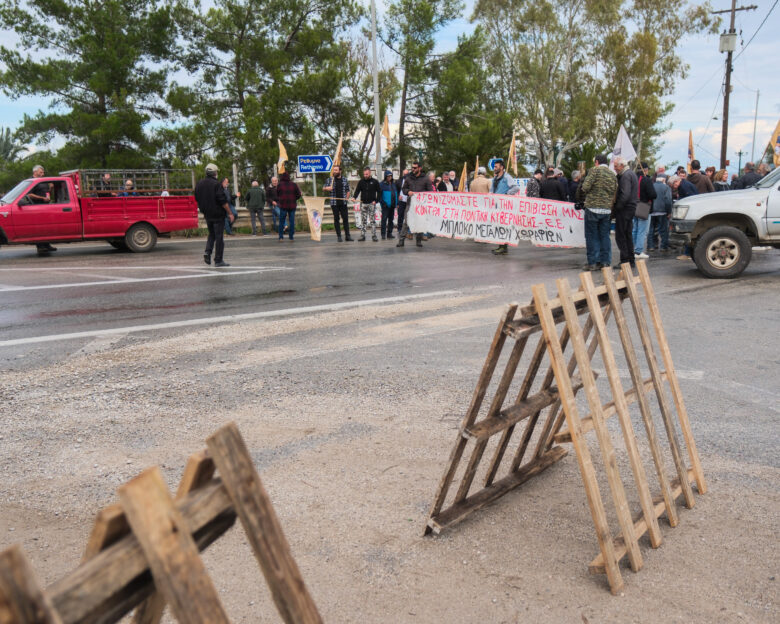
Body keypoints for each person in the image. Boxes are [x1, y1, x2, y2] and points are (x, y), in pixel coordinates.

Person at [580, 154, 617, 270]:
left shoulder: (594, 171)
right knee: (605, 236)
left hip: (592, 207)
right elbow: (615, 190)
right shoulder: (612, 174)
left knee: (592, 236)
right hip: (606, 209)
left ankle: (593, 262)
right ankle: (605, 261)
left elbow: (585, 187)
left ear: (596, 162)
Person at [195, 163, 232, 267]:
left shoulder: (199, 184)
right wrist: (230, 213)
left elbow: (196, 197)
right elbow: (222, 200)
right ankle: (218, 260)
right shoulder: (217, 184)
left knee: (212, 234)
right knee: (219, 237)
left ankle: (208, 252)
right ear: (215, 172)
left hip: (207, 214)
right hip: (218, 214)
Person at [397, 161, 434, 248]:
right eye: (412, 167)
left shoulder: (426, 179)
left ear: (419, 168)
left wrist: (422, 194)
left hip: (421, 205)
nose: (413, 169)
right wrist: (408, 192)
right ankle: (401, 240)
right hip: (410, 204)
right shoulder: (408, 178)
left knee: (420, 222)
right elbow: (403, 189)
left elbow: (430, 192)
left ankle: (418, 240)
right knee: (406, 222)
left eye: (415, 168)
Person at [490, 159, 520, 255]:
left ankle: (503, 247)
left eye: (496, 166)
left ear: (502, 167)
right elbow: (491, 190)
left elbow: (516, 187)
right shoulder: (494, 179)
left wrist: (507, 194)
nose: (494, 168)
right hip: (496, 206)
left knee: (503, 226)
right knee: (498, 226)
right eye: (494, 167)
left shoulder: (507, 177)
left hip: (504, 206)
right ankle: (501, 246)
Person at [612, 156, 638, 268]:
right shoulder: (631, 174)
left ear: (622, 165)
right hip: (630, 207)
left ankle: (625, 261)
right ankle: (630, 260)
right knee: (627, 235)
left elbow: (625, 194)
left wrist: (618, 207)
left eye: (616, 166)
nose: (615, 168)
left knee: (621, 235)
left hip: (625, 208)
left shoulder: (626, 176)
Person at [28, 164, 57, 254]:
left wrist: (50, 188)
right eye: (41, 172)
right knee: (39, 228)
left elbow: (47, 193)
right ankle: (40, 246)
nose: (43, 174)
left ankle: (47, 245)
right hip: (36, 207)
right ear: (35, 172)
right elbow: (29, 194)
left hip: (45, 207)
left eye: (43, 172)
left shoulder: (43, 181)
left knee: (46, 227)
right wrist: (42, 198)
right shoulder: (31, 181)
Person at [632, 162, 657, 259]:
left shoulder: (633, 178)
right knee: (642, 230)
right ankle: (638, 251)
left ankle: (633, 249)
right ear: (645, 170)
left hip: (633, 206)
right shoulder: (646, 180)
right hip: (644, 206)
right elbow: (653, 194)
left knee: (635, 229)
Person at [323, 165, 353, 242]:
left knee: (345, 219)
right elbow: (323, 188)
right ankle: (339, 236)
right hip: (334, 203)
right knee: (336, 219)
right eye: (334, 170)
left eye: (336, 170)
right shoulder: (330, 180)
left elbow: (348, 190)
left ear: (340, 171)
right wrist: (327, 188)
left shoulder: (344, 179)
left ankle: (347, 236)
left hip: (343, 203)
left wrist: (347, 198)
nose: (334, 172)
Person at [352, 166, 381, 242]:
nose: (365, 176)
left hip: (371, 203)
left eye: (367, 174)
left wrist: (376, 200)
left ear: (370, 173)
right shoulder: (361, 182)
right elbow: (357, 191)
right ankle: (362, 235)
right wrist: (354, 197)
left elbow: (379, 192)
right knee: (363, 220)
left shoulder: (375, 181)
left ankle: (374, 236)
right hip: (363, 204)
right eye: (364, 174)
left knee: (372, 220)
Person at [647, 172, 673, 253]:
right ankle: (663, 247)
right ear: (664, 180)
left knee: (651, 229)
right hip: (662, 211)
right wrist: (669, 212)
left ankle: (650, 246)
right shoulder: (666, 187)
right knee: (663, 230)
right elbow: (668, 201)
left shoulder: (651, 186)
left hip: (651, 211)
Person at [276, 172, 301, 240]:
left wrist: (281, 199)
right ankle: (291, 236)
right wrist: (294, 199)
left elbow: (277, 194)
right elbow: (299, 194)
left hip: (283, 205)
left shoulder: (280, 185)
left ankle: (281, 236)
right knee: (292, 221)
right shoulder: (294, 185)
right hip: (292, 205)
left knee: (281, 221)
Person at [379, 170, 397, 240]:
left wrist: (396, 203)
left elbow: (396, 193)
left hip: (392, 205)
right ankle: (383, 234)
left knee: (391, 220)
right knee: (384, 220)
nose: (389, 177)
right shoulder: (381, 184)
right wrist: (383, 203)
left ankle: (389, 233)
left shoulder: (393, 184)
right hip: (385, 206)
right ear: (385, 177)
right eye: (388, 176)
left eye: (390, 176)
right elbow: (379, 196)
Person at [396, 168, 409, 237]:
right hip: (401, 201)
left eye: (407, 174)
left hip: (408, 201)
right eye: (404, 174)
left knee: (408, 216)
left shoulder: (411, 181)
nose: (405, 175)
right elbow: (396, 191)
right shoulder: (399, 181)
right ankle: (399, 229)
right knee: (400, 215)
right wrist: (398, 196)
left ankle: (408, 231)